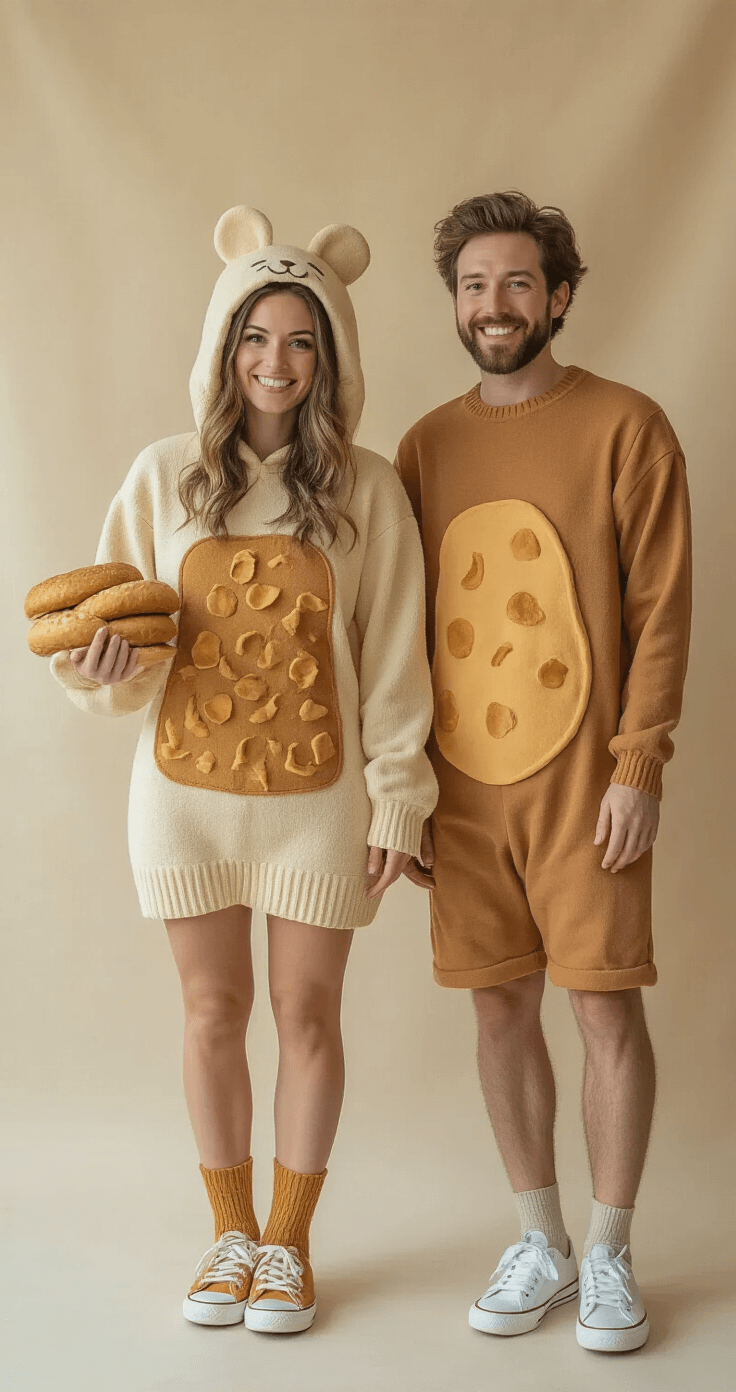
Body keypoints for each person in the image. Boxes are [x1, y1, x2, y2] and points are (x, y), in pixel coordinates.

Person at [51, 206, 437, 1333]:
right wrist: (106, 670)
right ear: (224, 347)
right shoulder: (160, 477)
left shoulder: (369, 489)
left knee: (307, 1016)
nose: (276, 362)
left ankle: (288, 1245)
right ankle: (229, 1234)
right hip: (183, 800)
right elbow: (114, 639)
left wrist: (400, 800)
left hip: (320, 803)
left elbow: (395, 657)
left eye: (302, 341)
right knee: (212, 1010)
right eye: (255, 337)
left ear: (332, 356)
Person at [396, 191, 691, 1353]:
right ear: (455, 303)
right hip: (461, 787)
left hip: (588, 783)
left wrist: (639, 761)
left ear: (558, 296)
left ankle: (610, 1253)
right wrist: (406, 792)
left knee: (602, 1003)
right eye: (474, 286)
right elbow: (397, 625)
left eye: (517, 283)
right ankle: (542, 1243)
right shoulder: (424, 447)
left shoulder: (626, 425)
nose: (494, 305)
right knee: (497, 1006)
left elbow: (659, 603)